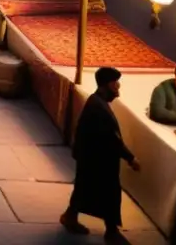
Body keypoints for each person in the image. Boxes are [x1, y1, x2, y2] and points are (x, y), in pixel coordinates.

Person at [61, 67, 140, 243]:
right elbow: (113, 139)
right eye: (115, 85)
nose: (118, 90)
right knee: (109, 192)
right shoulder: (99, 108)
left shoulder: (96, 102)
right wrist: (130, 158)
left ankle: (70, 216)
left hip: (90, 155)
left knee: (84, 188)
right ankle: (111, 231)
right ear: (107, 85)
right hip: (97, 159)